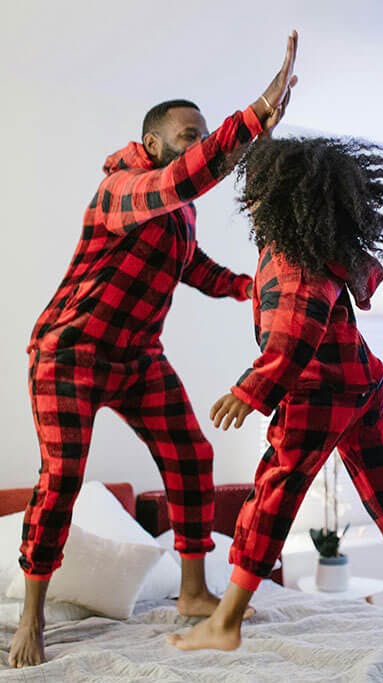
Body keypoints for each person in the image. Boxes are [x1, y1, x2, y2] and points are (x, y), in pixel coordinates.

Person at [8, 31, 300, 670]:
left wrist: (261, 287)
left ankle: (193, 593)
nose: (197, 143)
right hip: (70, 351)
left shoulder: (178, 214)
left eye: (203, 133)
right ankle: (31, 616)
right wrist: (250, 118)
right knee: (62, 478)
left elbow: (195, 267)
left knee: (193, 456)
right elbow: (184, 182)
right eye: (188, 135)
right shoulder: (125, 190)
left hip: (136, 355)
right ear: (153, 146)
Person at [168, 136, 383, 666]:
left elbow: (296, 332)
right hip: (360, 380)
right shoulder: (318, 245)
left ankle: (225, 622)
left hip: (319, 388)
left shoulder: (292, 259)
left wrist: (249, 390)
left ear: (279, 197)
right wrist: (267, 128)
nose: (247, 200)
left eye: (255, 190)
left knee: (273, 492)